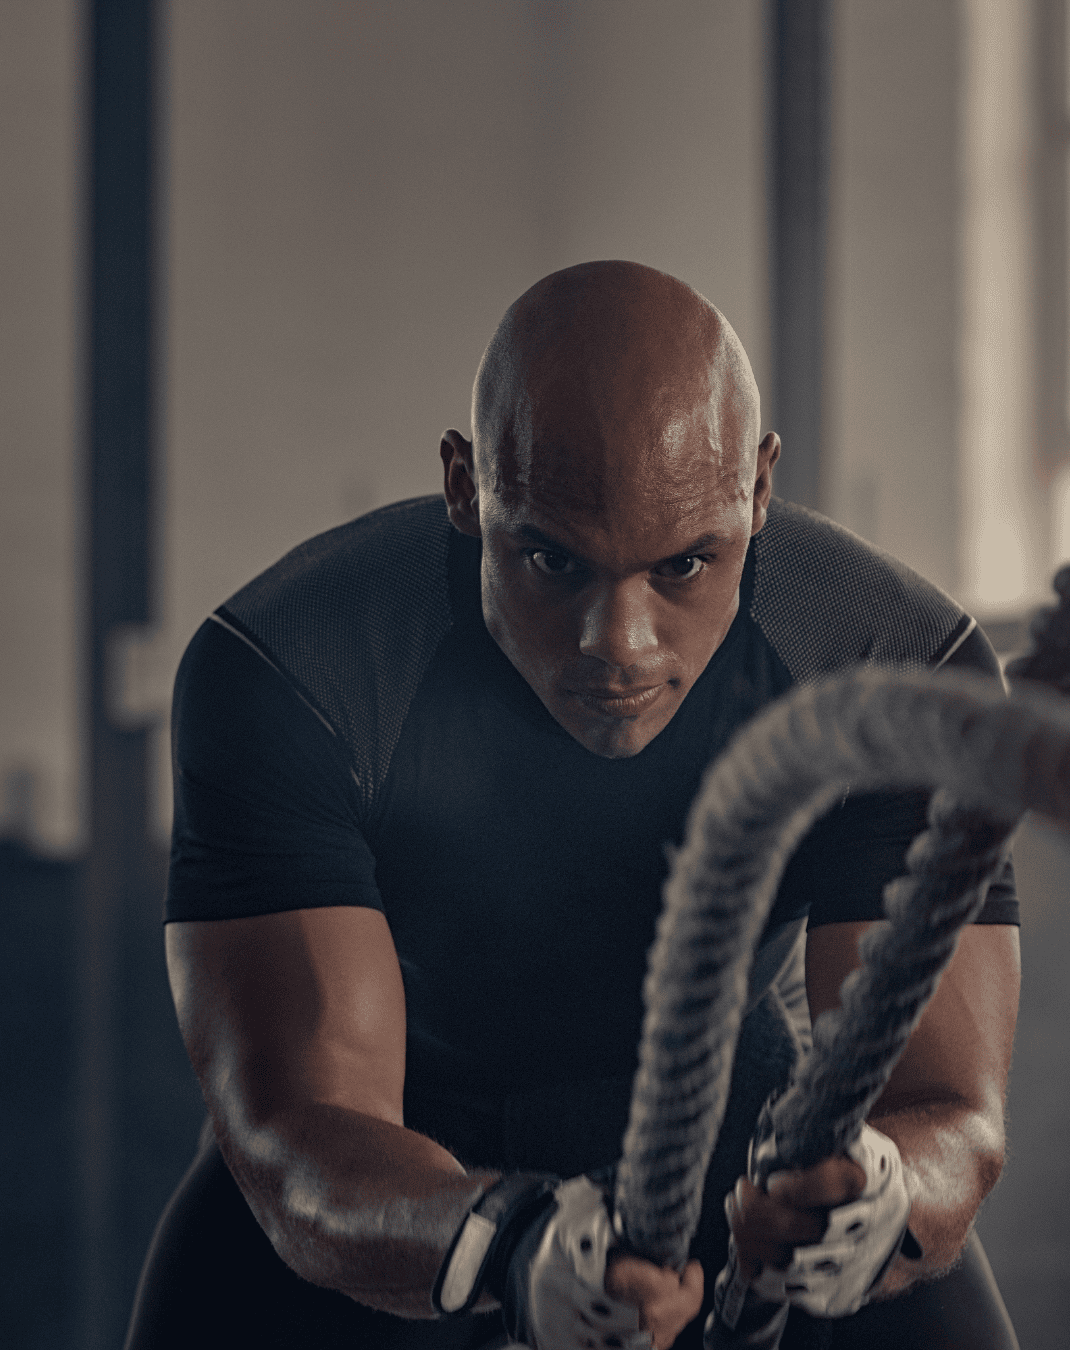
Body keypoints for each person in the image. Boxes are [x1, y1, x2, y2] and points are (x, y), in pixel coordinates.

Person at [125, 261, 1021, 1350]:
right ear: (465, 486)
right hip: (395, 1168)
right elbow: (304, 1127)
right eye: (551, 558)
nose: (620, 646)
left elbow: (949, 1111)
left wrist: (879, 1192)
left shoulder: (895, 663)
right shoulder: (292, 672)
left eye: (687, 564)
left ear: (761, 488)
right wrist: (506, 1241)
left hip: (743, 1148)